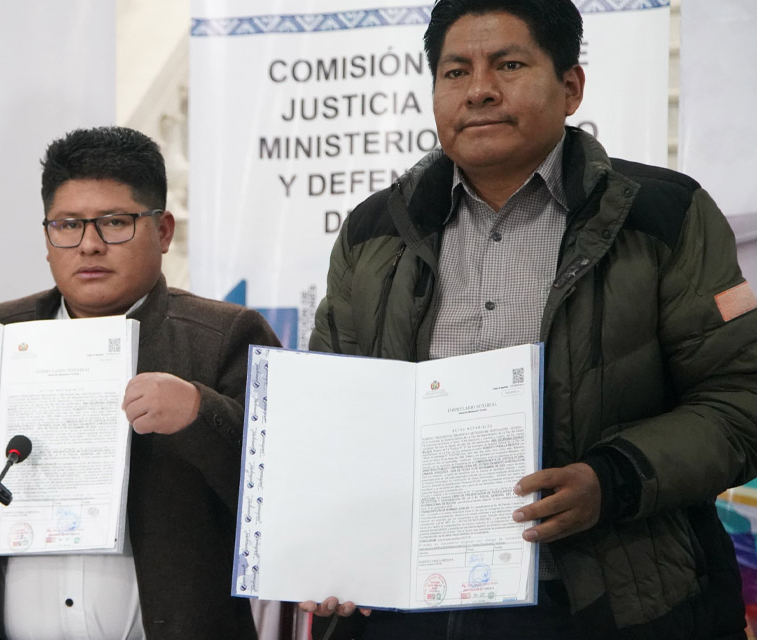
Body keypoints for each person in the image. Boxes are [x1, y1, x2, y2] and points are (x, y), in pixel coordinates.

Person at [301, 1, 757, 638]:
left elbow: (739, 399)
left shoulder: (661, 215)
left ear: (570, 87)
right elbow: (332, 409)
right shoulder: (375, 233)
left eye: (509, 64)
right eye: (455, 72)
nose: (480, 89)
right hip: (412, 600)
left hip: (613, 599)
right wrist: (330, 549)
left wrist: (613, 478)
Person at [0, 126, 280, 639]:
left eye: (114, 223)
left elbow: (284, 499)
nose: (89, 245)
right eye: (67, 225)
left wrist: (202, 413)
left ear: (164, 231)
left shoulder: (224, 336)